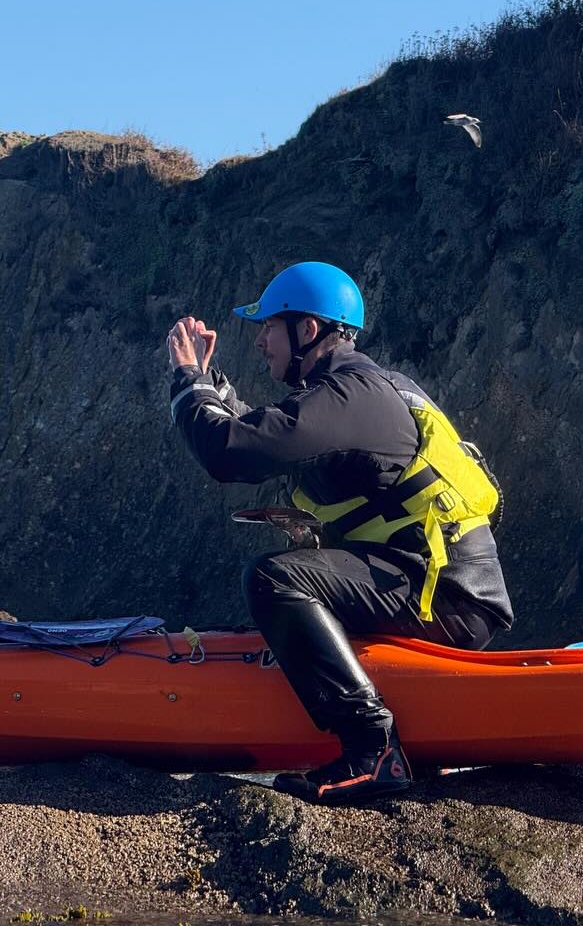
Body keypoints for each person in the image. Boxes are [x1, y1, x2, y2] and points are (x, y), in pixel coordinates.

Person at [166, 262, 514, 805]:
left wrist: (188, 381)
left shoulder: (352, 397)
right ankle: (421, 746)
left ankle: (372, 747)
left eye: (269, 326)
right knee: (290, 587)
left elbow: (230, 451)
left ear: (308, 330)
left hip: (441, 594)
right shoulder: (354, 391)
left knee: (275, 580)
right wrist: (213, 385)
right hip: (441, 587)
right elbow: (267, 429)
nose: (260, 340)